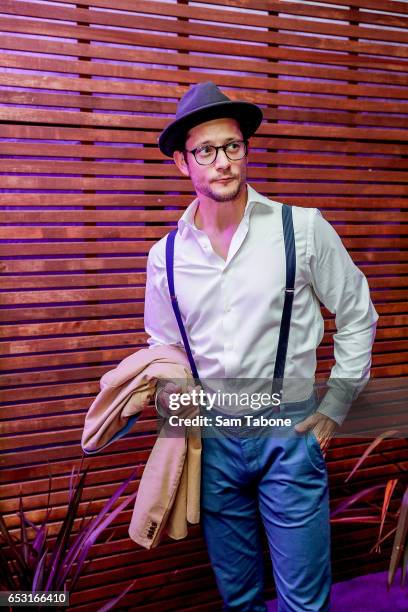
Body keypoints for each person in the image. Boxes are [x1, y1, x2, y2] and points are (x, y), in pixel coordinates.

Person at [144, 81, 379, 611]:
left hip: (289, 434)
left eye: (233, 146)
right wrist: (173, 405)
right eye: (206, 151)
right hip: (214, 442)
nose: (223, 162)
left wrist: (336, 407)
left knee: (303, 602)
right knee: (240, 597)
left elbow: (359, 314)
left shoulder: (303, 228)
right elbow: (163, 350)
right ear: (183, 164)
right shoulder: (165, 256)